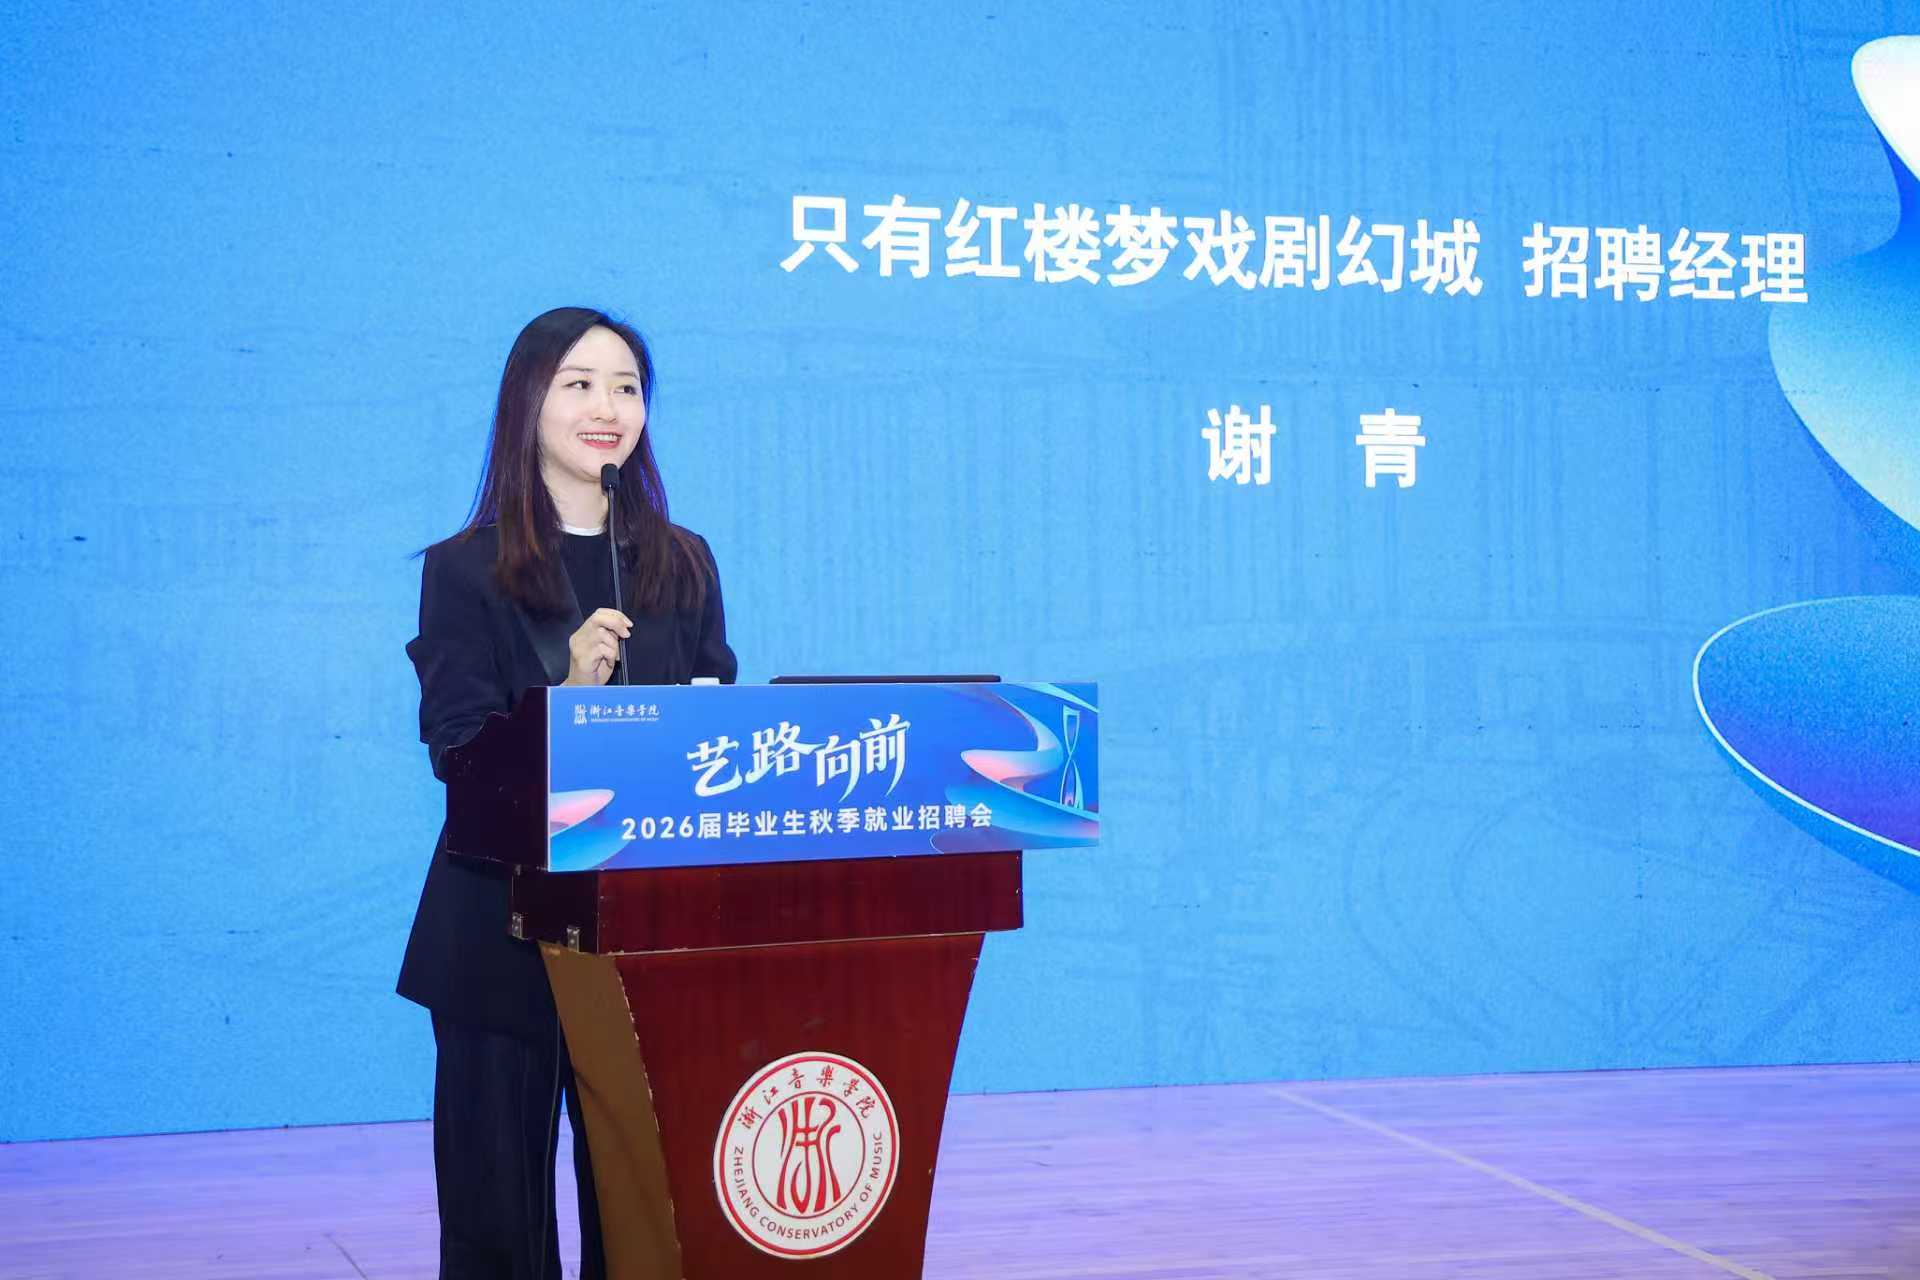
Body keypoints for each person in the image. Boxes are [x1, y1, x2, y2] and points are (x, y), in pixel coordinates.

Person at [398, 307, 738, 1279]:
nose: (607, 407)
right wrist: (567, 694)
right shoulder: (466, 568)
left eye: (626, 387)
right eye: (579, 384)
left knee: (642, 1209)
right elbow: (460, 754)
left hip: (644, 930)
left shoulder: (683, 560)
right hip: (498, 931)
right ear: (528, 402)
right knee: (498, 1217)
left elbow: (713, 724)